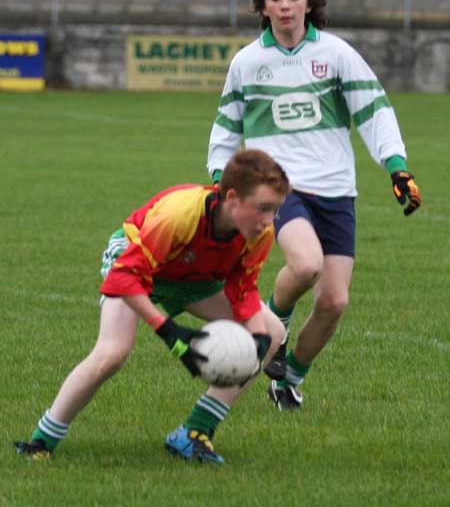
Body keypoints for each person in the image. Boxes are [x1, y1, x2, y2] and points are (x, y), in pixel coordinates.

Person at [207, 0, 422, 411]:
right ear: (263, 8)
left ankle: (288, 380)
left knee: (334, 301)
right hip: (280, 187)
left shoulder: (337, 54)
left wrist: (397, 167)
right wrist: (217, 182)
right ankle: (274, 331)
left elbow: (374, 110)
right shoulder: (248, 62)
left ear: (309, 3)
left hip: (337, 190)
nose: (285, 6)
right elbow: (226, 128)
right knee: (305, 265)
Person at [15, 149, 289, 464]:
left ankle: (194, 433)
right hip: (135, 266)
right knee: (112, 354)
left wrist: (256, 339)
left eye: (276, 210)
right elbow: (127, 277)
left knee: (272, 332)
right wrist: (170, 332)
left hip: (194, 277)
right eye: (263, 208)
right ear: (232, 198)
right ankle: (41, 442)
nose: (269, 221)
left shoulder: (259, 232)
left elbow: (243, 290)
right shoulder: (180, 215)